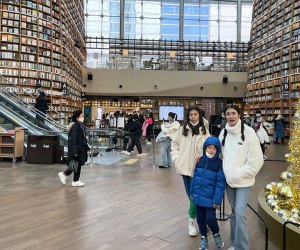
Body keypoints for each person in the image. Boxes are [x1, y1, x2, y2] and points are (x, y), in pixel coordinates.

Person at [219, 105, 264, 250]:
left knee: (239, 214)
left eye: (233, 113)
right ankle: (234, 244)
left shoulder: (249, 133)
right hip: (229, 181)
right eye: (228, 114)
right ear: (224, 116)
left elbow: (257, 160)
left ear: (239, 115)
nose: (231, 116)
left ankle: (242, 247)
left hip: (244, 181)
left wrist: (239, 174)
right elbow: (220, 155)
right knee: (234, 213)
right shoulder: (223, 133)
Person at [171, 106, 210, 237]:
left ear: (199, 115)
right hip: (185, 168)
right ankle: (202, 220)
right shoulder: (182, 130)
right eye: (191, 114)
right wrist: (177, 159)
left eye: (195, 114)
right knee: (191, 196)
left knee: (195, 195)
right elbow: (174, 145)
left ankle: (192, 220)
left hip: (199, 169)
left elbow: (210, 147)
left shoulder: (205, 130)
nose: (193, 116)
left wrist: (204, 157)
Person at [190, 136, 226, 250]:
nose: (211, 150)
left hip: (210, 199)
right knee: (200, 219)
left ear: (218, 150)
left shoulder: (219, 164)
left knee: (210, 218)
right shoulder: (200, 160)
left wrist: (217, 200)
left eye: (214, 148)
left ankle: (216, 234)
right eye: (209, 147)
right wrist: (192, 192)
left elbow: (220, 184)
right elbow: (195, 178)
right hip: (198, 197)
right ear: (205, 147)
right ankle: (203, 238)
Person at [58, 110, 89, 187]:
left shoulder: (79, 125)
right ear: (77, 117)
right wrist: (75, 151)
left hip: (80, 148)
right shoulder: (75, 126)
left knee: (77, 164)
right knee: (76, 164)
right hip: (77, 149)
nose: (83, 117)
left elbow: (82, 137)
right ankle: (72, 178)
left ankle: (71, 177)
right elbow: (73, 140)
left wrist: (86, 146)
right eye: (81, 116)